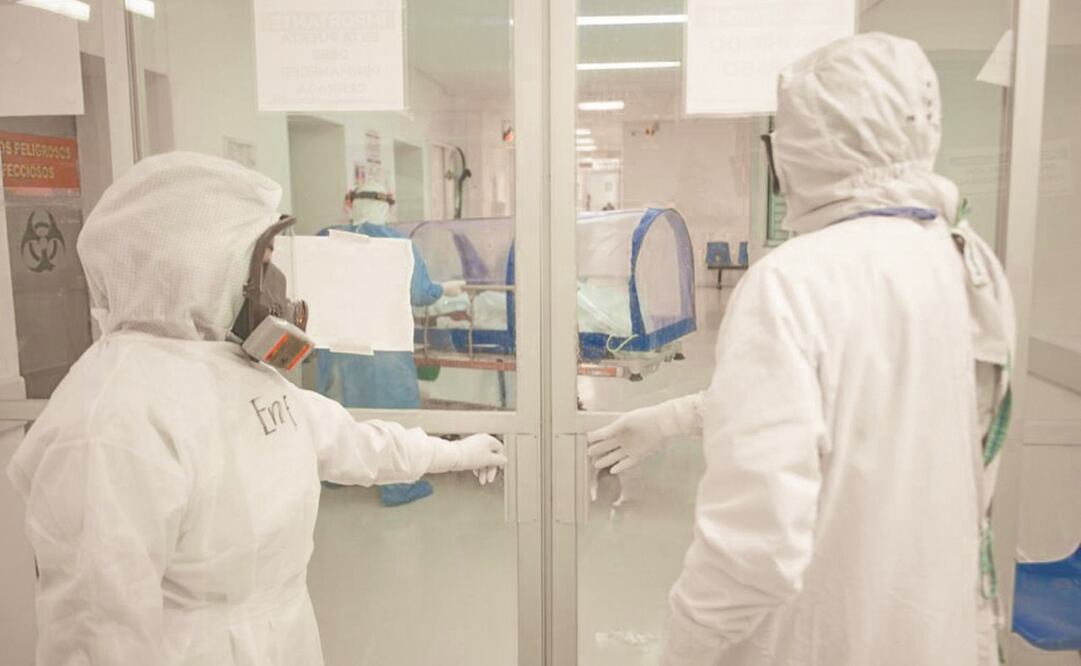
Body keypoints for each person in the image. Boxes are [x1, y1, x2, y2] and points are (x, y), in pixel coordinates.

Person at [587, 33, 1015, 666]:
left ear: (799, 149)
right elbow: (855, 398)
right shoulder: (967, 262)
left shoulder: (796, 278)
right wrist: (674, 418)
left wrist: (681, 650)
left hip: (827, 638)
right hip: (938, 631)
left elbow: (752, 550)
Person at [6, 152, 506, 666]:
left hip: (284, 635)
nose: (278, 284)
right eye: (264, 262)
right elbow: (95, 633)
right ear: (201, 267)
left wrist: (456, 453)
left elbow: (350, 444)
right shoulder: (112, 416)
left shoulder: (232, 365)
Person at [314, 182, 465, 506]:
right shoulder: (396, 245)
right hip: (381, 345)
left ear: (350, 203)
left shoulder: (325, 237)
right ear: (386, 207)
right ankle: (399, 485)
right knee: (392, 413)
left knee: (340, 407)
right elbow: (419, 293)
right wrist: (446, 290)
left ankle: (335, 475)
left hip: (335, 342)